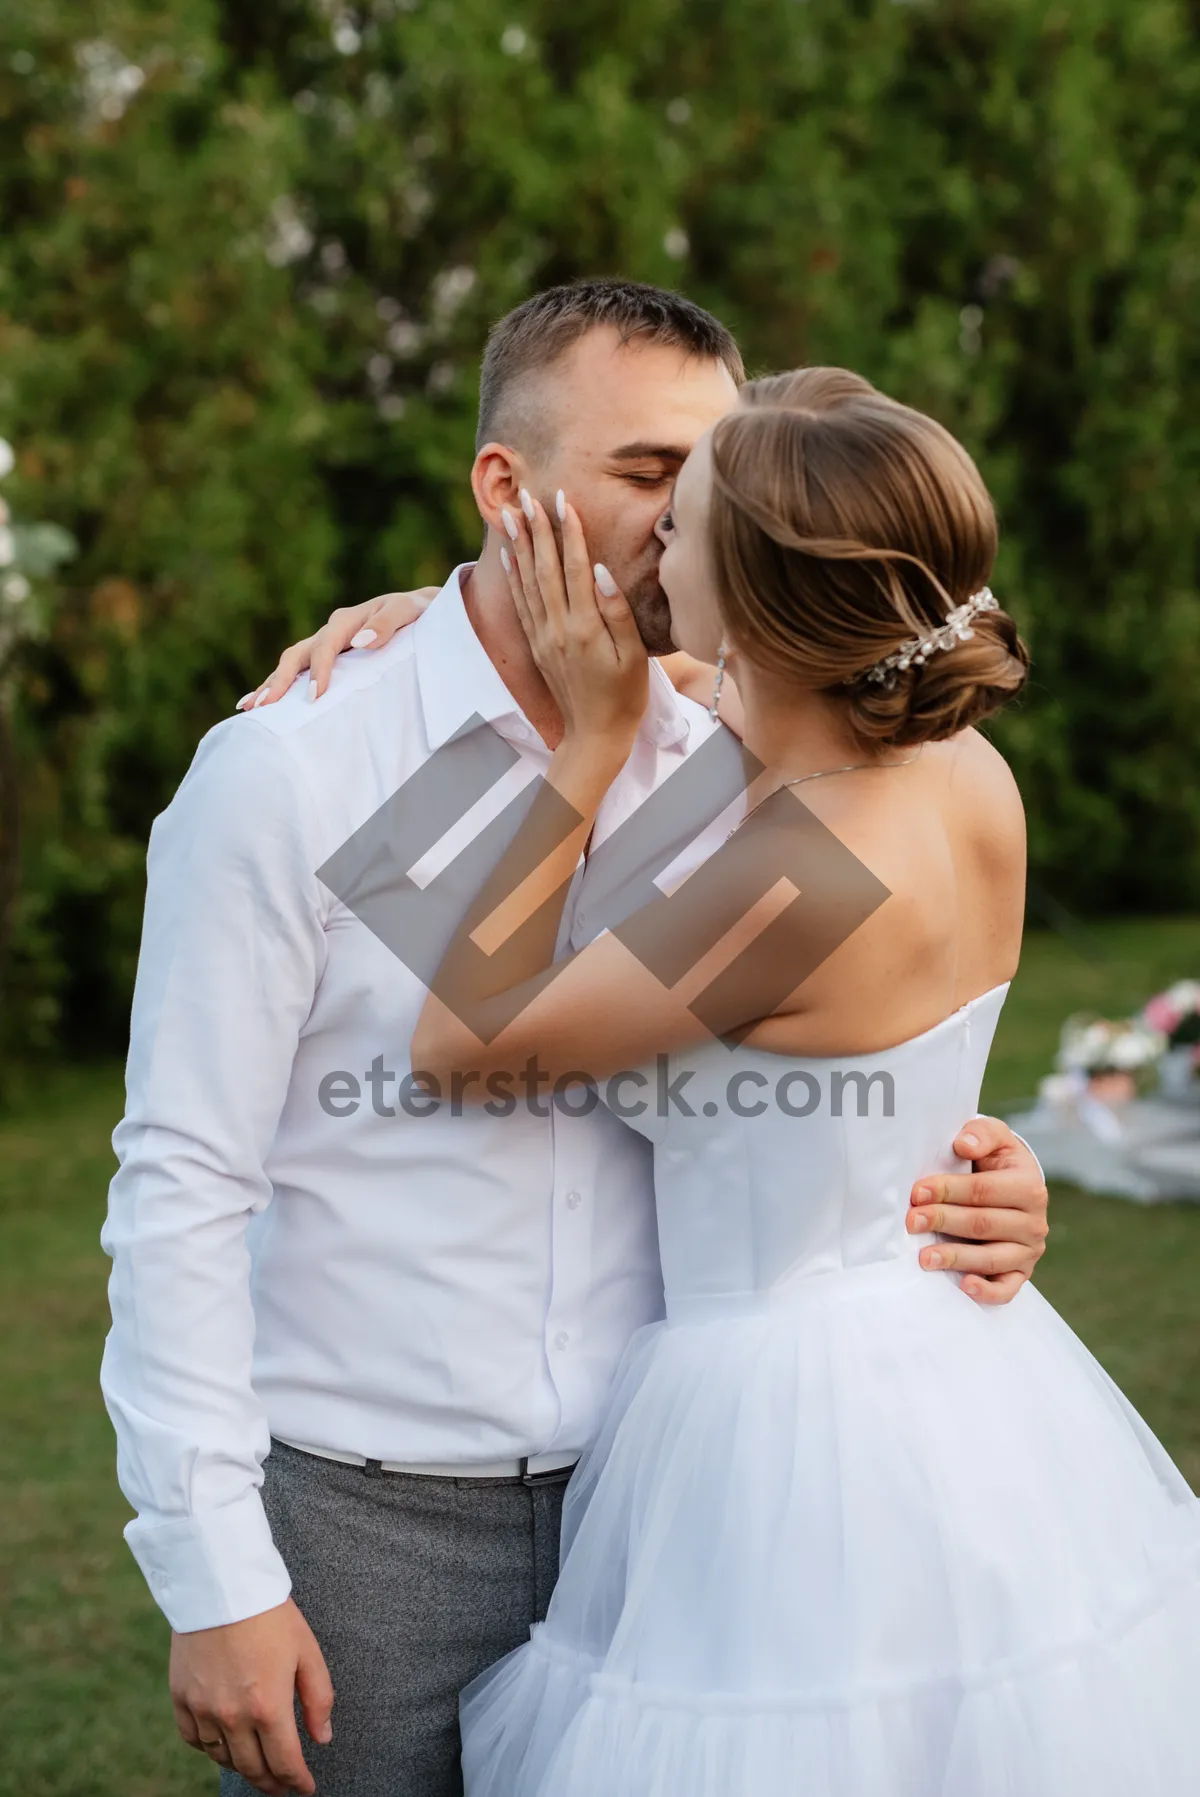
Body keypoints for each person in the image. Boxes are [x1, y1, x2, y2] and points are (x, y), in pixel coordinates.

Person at [101, 283, 1049, 1797]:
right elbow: (181, 1179)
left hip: (680, 1513)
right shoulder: (300, 767)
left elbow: (839, 1035)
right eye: (650, 478)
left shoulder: (746, 752)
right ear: (506, 489)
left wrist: (967, 1173)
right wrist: (215, 1570)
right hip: (374, 1527)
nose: (693, 523)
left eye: (716, 478)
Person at [397, 365, 1200, 1794]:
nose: (656, 551)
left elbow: (460, 1048)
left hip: (793, 1420)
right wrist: (424, 625)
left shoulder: (790, 881)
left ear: (759, 603)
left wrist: (584, 745)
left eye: (684, 526)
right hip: (956, 1360)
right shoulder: (958, 769)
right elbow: (744, 705)